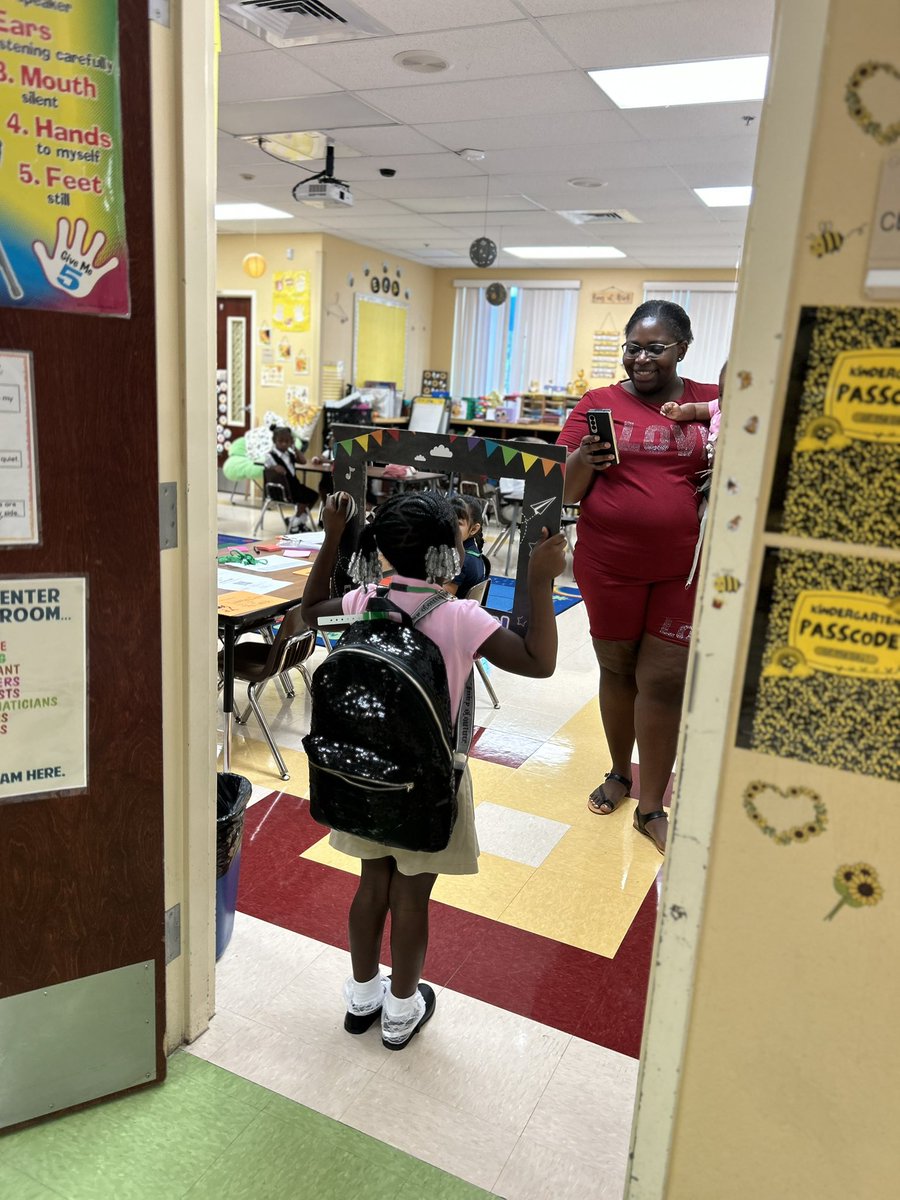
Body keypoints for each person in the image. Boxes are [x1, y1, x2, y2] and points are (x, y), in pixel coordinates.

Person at [301, 491, 566, 1048]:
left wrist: (332, 535)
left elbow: (307, 612)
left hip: (362, 774)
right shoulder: (459, 616)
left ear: (382, 548)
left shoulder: (364, 599)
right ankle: (401, 1011)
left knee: (371, 885)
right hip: (429, 781)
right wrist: (539, 581)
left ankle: (363, 996)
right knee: (412, 896)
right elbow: (541, 663)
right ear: (450, 551)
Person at [556, 300, 718, 853]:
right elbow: (564, 491)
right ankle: (620, 773)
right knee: (617, 667)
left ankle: (653, 805)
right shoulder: (597, 404)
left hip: (686, 568)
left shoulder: (709, 401)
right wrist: (585, 457)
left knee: (665, 679)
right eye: (632, 347)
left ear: (683, 348)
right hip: (610, 565)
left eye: (655, 347)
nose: (640, 357)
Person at [264, 424, 318, 533]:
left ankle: (296, 521)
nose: (284, 443)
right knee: (304, 498)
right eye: (281, 441)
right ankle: (295, 524)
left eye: (287, 441)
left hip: (294, 486)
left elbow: (303, 461)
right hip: (283, 490)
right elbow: (267, 469)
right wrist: (274, 467)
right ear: (275, 441)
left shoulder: (289, 454)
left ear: (291, 441)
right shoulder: (270, 456)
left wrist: (295, 448)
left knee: (314, 495)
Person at [444, 495, 489, 599]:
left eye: (458, 523)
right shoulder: (472, 552)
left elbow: (442, 598)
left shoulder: (461, 560)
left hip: (453, 613)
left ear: (473, 529)